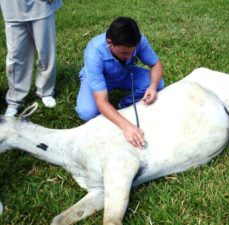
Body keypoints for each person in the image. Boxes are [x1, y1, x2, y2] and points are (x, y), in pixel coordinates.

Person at [76, 16, 164, 148]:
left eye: (132, 52)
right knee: (87, 112)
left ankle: (123, 105)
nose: (129, 56)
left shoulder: (139, 40)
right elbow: (101, 100)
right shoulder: (94, 52)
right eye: (123, 53)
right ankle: (116, 114)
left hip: (125, 73)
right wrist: (126, 126)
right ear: (109, 42)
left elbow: (155, 64)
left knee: (159, 84)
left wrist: (152, 86)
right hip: (99, 80)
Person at [0, 0, 62, 117]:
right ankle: (14, 99)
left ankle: (46, 91)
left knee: (46, 50)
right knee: (15, 55)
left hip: (41, 4)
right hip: (11, 5)